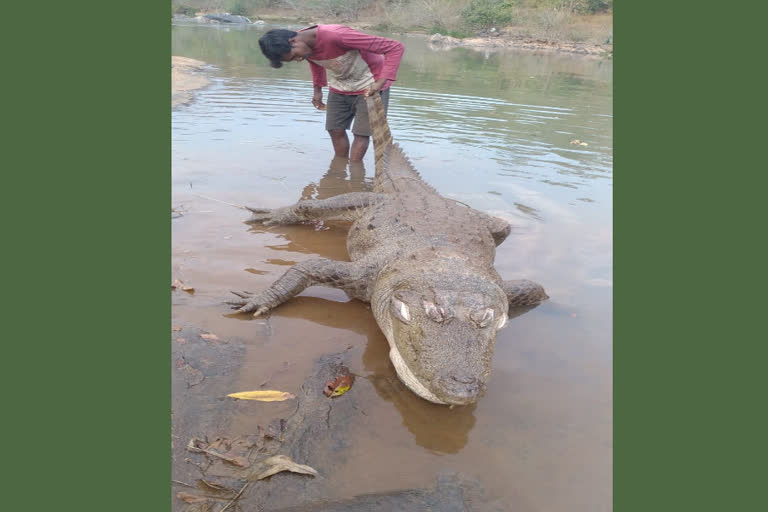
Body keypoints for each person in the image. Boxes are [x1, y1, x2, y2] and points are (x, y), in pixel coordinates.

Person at [258, 25, 404, 161]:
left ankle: (354, 171)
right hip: (341, 83)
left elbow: (395, 47)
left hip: (371, 82)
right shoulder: (304, 44)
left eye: (295, 55)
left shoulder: (337, 36)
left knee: (361, 133)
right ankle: (339, 169)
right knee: (335, 129)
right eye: (293, 59)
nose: (299, 59)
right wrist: (317, 90)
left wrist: (380, 82)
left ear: (294, 41)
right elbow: (314, 60)